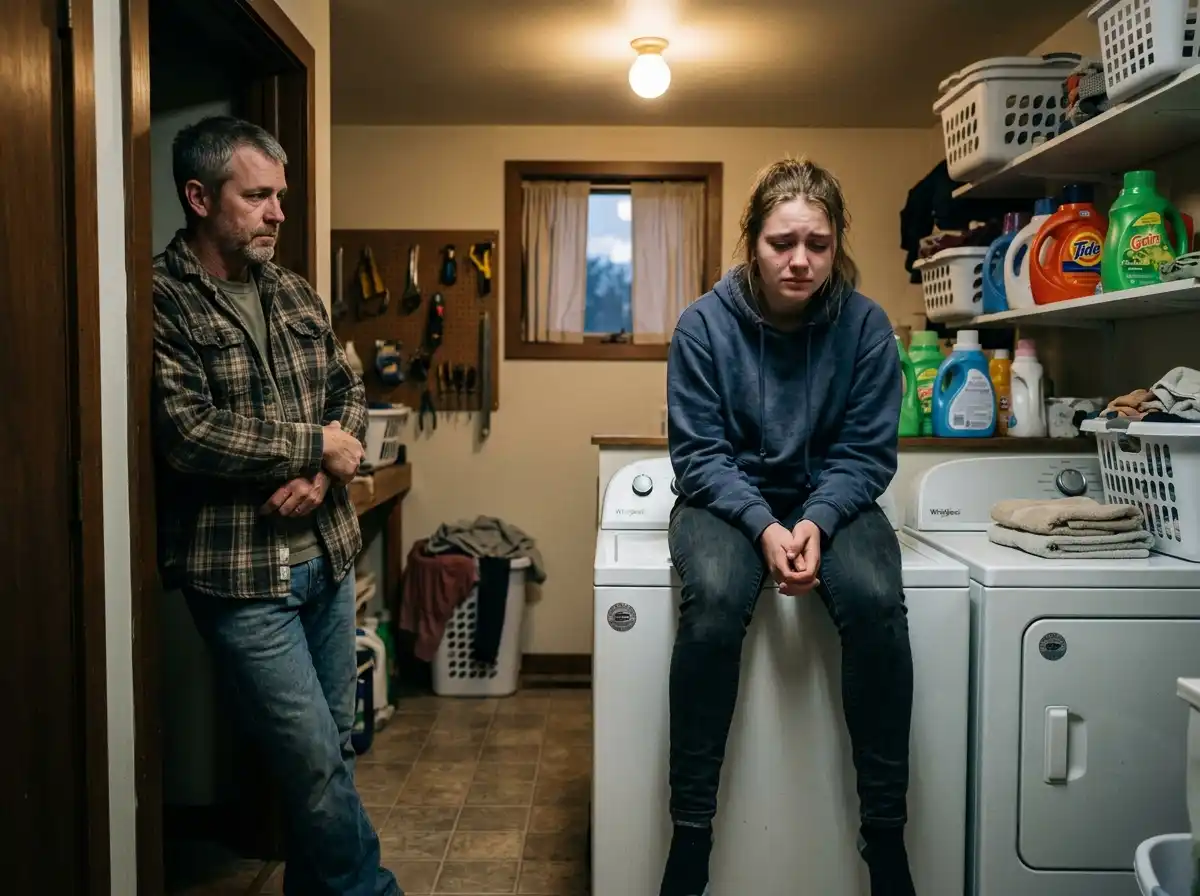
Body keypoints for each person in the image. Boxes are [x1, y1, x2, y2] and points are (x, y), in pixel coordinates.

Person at [151, 115, 402, 896]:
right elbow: (189, 431)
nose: (278, 213)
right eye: (257, 196)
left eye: (279, 196)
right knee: (313, 761)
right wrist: (311, 446)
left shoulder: (293, 290)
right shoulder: (159, 299)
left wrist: (326, 472)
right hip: (240, 578)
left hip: (325, 558)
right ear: (198, 197)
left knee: (334, 751)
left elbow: (347, 394)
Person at [661, 157, 915, 896]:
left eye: (818, 242)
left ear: (837, 244)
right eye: (781, 242)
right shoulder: (704, 326)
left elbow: (867, 453)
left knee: (874, 600)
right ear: (752, 241)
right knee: (710, 600)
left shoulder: (866, 327)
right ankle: (691, 838)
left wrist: (818, 519)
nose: (800, 260)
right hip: (725, 500)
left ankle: (887, 841)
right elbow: (700, 455)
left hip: (833, 496)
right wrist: (766, 527)